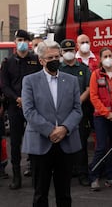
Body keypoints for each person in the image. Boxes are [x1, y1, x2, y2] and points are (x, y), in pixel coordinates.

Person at [21, 40, 82, 207]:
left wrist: (64, 128)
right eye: (50, 57)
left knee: (64, 194)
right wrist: (50, 130)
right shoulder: (29, 81)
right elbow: (29, 111)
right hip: (40, 142)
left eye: (57, 56)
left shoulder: (71, 81)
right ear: (41, 60)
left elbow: (77, 110)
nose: (55, 59)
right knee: (40, 193)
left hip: (66, 141)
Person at [0, 29, 42, 189]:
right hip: (14, 106)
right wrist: (17, 98)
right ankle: (16, 176)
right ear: (15, 42)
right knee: (15, 142)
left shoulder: (36, 61)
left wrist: (28, 100)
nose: (22, 42)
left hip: (32, 107)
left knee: (34, 140)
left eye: (24, 39)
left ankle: (34, 173)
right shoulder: (7, 62)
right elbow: (4, 85)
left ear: (28, 42)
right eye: (19, 40)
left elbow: (40, 82)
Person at [89, 47, 112, 191]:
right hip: (101, 117)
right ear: (101, 59)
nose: (108, 58)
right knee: (101, 147)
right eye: (105, 56)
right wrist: (107, 114)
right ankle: (94, 177)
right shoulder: (96, 75)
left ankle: (111, 177)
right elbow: (94, 97)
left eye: (110, 55)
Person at [59, 39, 92, 186]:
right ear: (61, 52)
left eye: (71, 50)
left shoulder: (84, 68)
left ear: (75, 50)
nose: (68, 53)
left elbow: (89, 88)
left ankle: (82, 173)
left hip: (80, 112)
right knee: (63, 143)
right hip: (62, 112)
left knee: (81, 143)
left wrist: (77, 101)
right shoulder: (59, 69)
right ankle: (66, 172)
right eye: (65, 51)